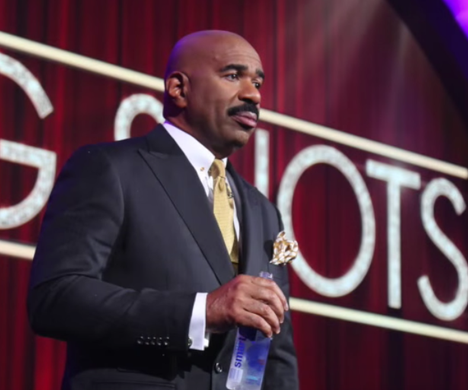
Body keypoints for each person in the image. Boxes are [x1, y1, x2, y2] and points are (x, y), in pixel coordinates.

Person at [27, 30, 298, 390]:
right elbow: (56, 298)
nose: (253, 94)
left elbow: (275, 349)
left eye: (257, 82)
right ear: (179, 89)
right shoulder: (111, 168)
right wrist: (200, 312)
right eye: (233, 76)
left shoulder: (263, 211)